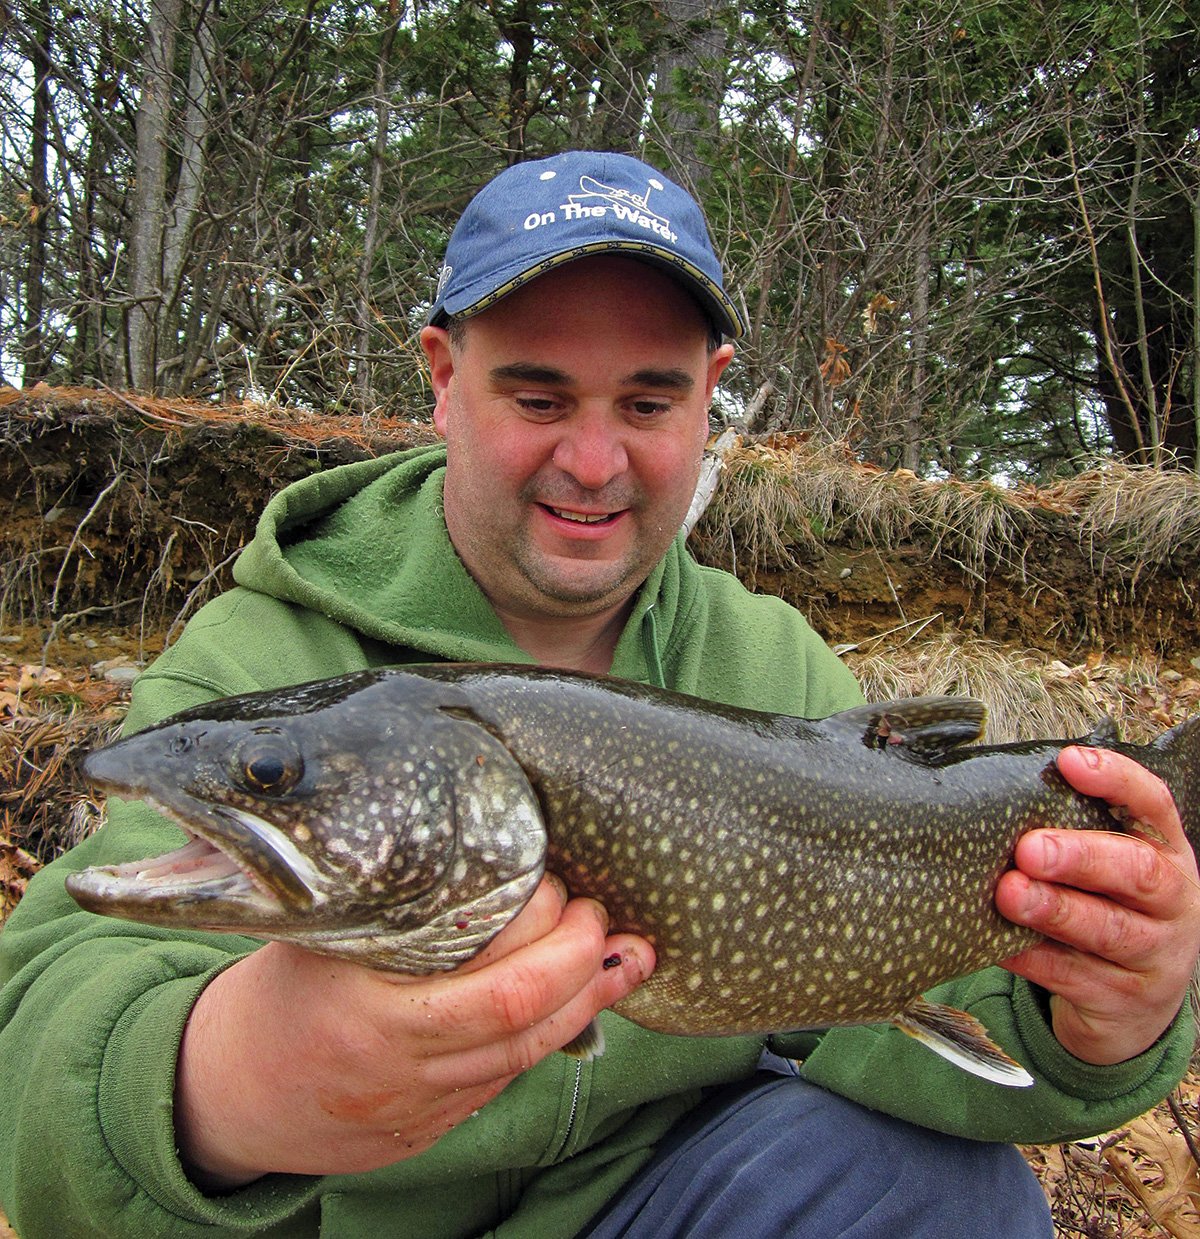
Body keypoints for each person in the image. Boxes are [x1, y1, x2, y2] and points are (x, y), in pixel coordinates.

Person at [0, 150, 1196, 1239]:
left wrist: (1100, 1019)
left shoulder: (768, 667)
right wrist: (234, 1088)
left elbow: (906, 1016)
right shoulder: (265, 671)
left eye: (646, 403)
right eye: (536, 398)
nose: (591, 461)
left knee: (947, 1200)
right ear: (441, 375)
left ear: (710, 392)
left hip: (650, 1212)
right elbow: (48, 1034)